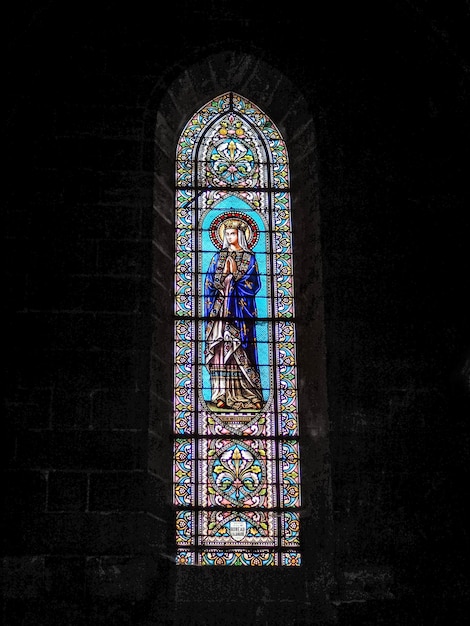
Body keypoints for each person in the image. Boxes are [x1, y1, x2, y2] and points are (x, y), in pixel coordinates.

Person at [204, 218, 263, 411]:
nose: (230, 237)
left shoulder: (250, 258)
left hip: (240, 312)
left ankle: (251, 394)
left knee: (243, 350)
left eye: (233, 233)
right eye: (227, 234)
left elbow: (253, 285)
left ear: (241, 235)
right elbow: (208, 284)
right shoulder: (217, 258)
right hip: (220, 312)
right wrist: (223, 280)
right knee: (221, 352)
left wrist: (235, 275)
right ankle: (220, 395)